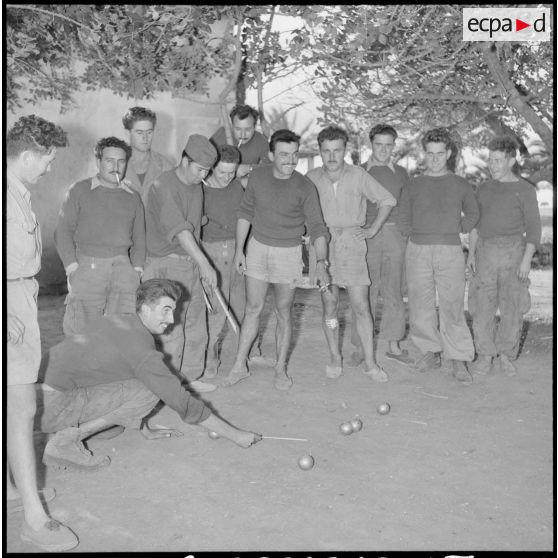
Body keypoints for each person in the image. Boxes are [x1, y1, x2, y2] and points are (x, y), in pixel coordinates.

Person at [36, 279, 262, 473]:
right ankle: (64, 443)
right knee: (148, 391)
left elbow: (115, 373)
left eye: (173, 310)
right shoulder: (140, 346)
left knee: (115, 428)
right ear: (145, 308)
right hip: (51, 406)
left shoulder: (120, 321)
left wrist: (144, 428)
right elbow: (179, 399)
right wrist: (236, 435)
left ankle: (68, 428)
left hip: (32, 397)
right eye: (165, 309)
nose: (171, 319)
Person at [6, 115, 78, 551]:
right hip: (7, 307)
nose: (49, 168)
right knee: (20, 409)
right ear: (29, 155)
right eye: (48, 160)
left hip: (20, 300)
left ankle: (13, 492)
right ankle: (34, 516)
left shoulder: (18, 193)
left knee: (14, 408)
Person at [223, 129, 330, 390]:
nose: (290, 161)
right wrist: (240, 250)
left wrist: (321, 262)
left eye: (294, 155)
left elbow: (317, 227)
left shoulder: (305, 186)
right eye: (283, 155)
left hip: (289, 253)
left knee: (284, 311)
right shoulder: (257, 176)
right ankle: (240, 364)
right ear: (271, 155)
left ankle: (280, 368)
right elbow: (245, 212)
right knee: (252, 308)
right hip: (258, 248)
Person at [307, 126, 397, 382]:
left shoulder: (358, 175)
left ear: (345, 150)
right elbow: (298, 208)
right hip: (322, 244)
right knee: (330, 304)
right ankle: (335, 358)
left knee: (360, 305)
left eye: (337, 150)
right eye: (326, 151)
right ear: (320, 152)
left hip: (352, 245)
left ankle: (370, 363)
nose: (332, 156)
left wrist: (371, 230)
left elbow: (387, 200)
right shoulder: (311, 178)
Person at [398, 127, 479, 385]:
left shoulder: (461, 185)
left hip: (450, 250)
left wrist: (457, 229)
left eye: (439, 153)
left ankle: (457, 358)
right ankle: (429, 351)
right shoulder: (413, 185)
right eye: (430, 154)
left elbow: (474, 215)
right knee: (420, 305)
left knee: (452, 306)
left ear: (449, 153)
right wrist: (416, 234)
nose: (434, 159)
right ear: (425, 153)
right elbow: (403, 218)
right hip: (418, 250)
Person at [143, 134, 218, 394]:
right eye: (199, 169)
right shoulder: (163, 185)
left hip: (189, 263)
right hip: (166, 265)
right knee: (170, 329)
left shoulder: (196, 185)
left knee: (196, 324)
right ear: (184, 161)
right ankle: (167, 386)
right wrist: (206, 264)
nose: (203, 176)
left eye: (208, 171)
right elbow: (181, 231)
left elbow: (193, 225)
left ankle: (189, 377)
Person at [55, 137, 145, 336]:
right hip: (88, 268)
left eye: (121, 161)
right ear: (98, 162)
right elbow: (63, 232)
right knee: (82, 333)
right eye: (109, 160)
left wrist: (136, 270)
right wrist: (73, 268)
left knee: (122, 332)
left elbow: (140, 238)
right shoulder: (79, 190)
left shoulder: (132, 197)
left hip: (124, 269)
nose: (116, 166)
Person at [467, 136, 541, 376]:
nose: (493, 165)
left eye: (498, 161)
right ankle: (485, 355)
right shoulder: (483, 189)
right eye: (491, 160)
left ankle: (506, 355)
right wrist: (471, 253)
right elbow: (475, 224)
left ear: (511, 161)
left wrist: (526, 259)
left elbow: (534, 228)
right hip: (485, 252)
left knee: (512, 306)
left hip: (513, 252)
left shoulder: (525, 190)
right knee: (481, 306)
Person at [349, 124, 412, 367]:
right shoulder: (359, 171)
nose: (384, 150)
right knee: (365, 291)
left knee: (394, 290)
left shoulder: (402, 173)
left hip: (395, 236)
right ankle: (360, 345)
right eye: (379, 145)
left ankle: (394, 343)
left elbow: (406, 206)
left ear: (394, 146)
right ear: (370, 144)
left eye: (388, 145)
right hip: (368, 236)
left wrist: (406, 234)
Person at [201, 145, 246, 377]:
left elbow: (243, 219)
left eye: (232, 172)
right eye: (222, 173)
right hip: (212, 252)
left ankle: (242, 353)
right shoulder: (201, 189)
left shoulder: (237, 187)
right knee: (215, 308)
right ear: (212, 168)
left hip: (237, 250)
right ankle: (210, 355)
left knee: (240, 304)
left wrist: (241, 249)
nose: (228, 177)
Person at [122, 106, 175, 204]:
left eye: (149, 132)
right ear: (127, 133)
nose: (145, 138)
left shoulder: (166, 167)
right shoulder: (116, 165)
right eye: (139, 132)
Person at [210, 104, 270, 185]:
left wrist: (248, 168)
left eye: (248, 129)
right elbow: (204, 160)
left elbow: (271, 167)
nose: (243, 134)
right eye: (238, 129)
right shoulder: (222, 134)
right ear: (231, 126)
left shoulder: (260, 140)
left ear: (254, 126)